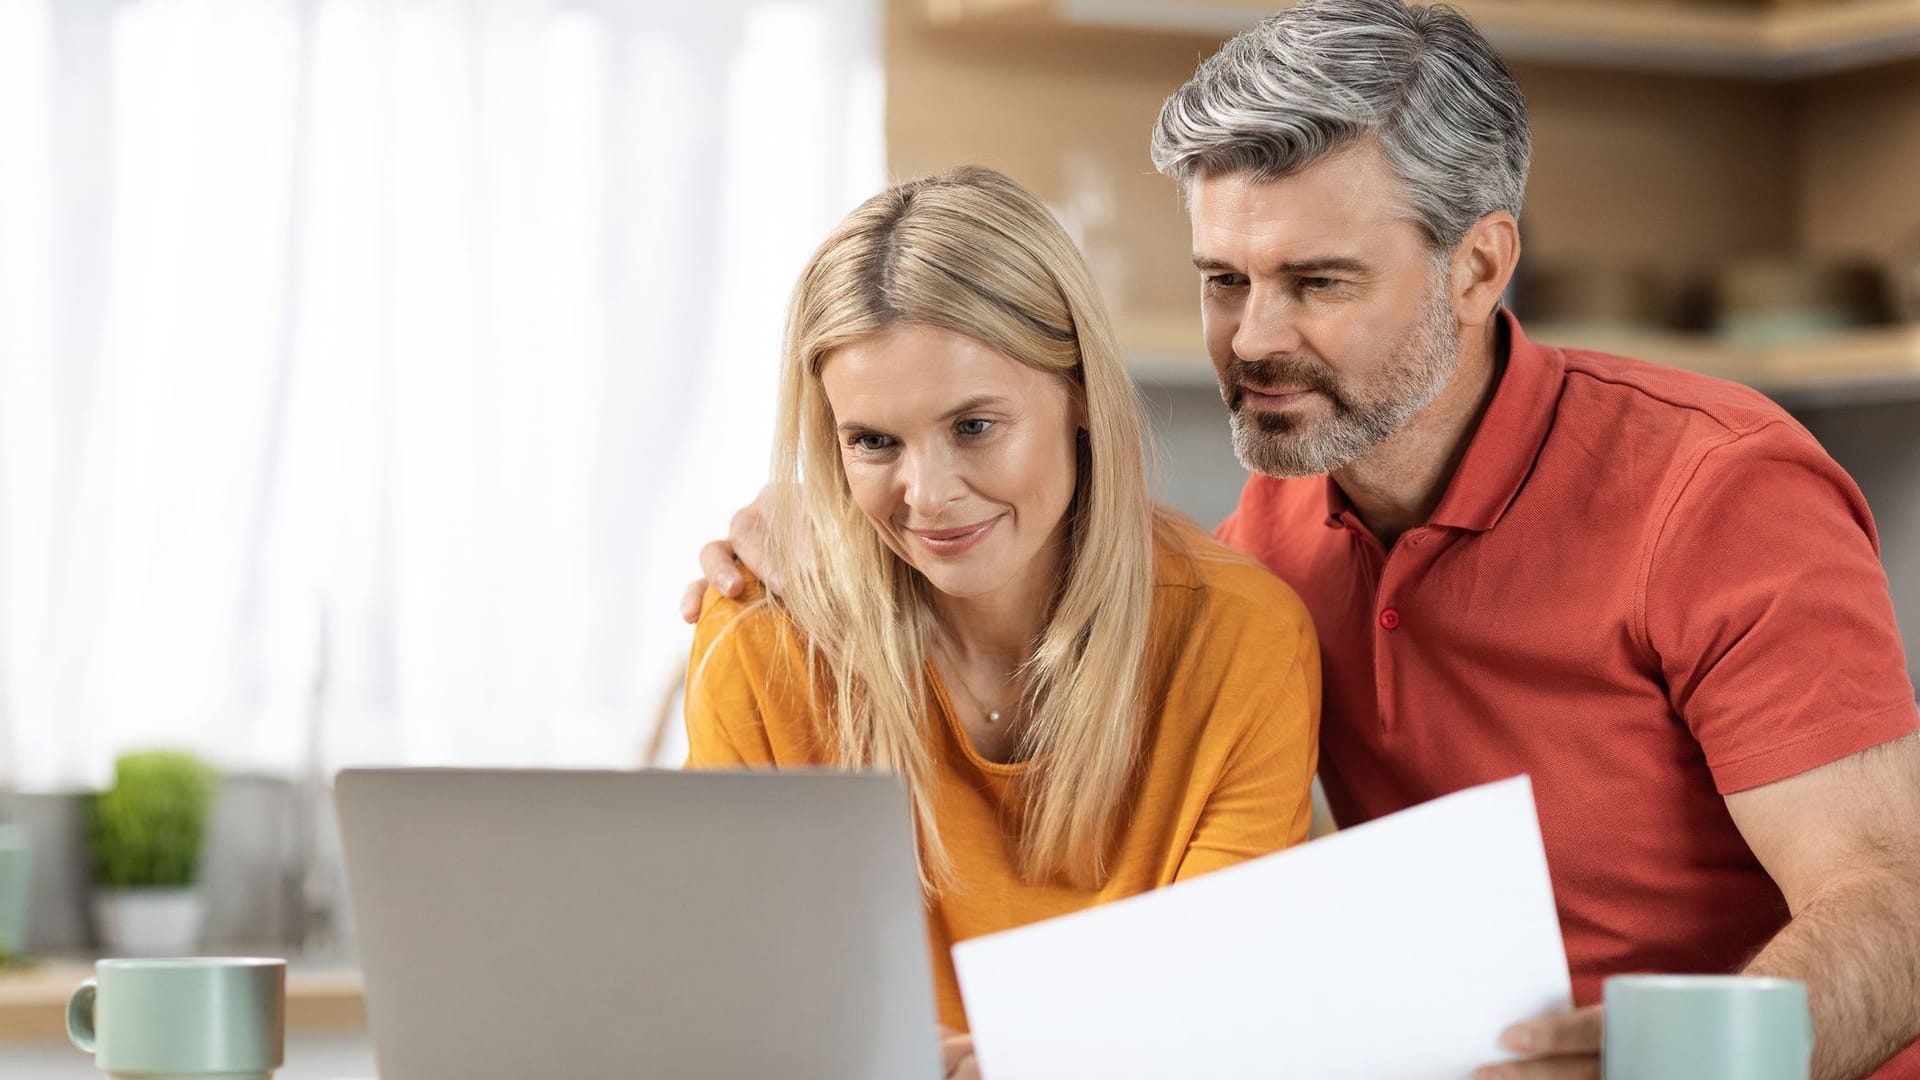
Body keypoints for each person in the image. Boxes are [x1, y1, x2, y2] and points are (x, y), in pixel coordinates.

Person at [686, 4, 1920, 1078]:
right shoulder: (1273, 535)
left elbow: (1895, 903)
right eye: (1225, 281)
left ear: (1478, 267)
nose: (1254, 341)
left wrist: (1679, 1063)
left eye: (1318, 282)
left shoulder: (1711, 491)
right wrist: (818, 518)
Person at [680, 165, 1320, 1079]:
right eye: (873, 441)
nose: (929, 497)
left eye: (975, 426)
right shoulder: (761, 643)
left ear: (1079, 401)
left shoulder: (1239, 642)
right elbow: (733, 1014)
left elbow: (1211, 1030)